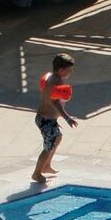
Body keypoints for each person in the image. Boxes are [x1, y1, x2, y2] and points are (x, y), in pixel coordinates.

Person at [34, 53, 77, 186]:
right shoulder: (56, 82)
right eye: (69, 70)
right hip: (46, 120)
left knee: (57, 138)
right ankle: (37, 173)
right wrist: (67, 118)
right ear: (61, 70)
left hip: (46, 118)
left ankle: (46, 166)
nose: (70, 73)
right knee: (49, 146)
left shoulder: (52, 78)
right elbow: (55, 103)